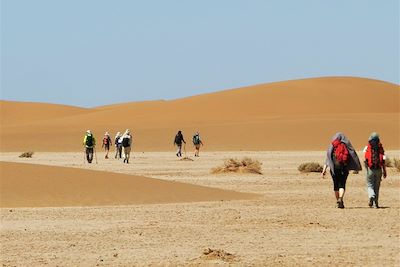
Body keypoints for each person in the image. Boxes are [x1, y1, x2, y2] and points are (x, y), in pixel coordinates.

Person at [321, 132, 362, 208]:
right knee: (342, 184)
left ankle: (338, 202)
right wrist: (355, 167)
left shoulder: (332, 146)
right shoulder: (347, 145)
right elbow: (353, 155)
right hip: (344, 168)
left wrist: (324, 170)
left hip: (334, 169)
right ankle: (341, 199)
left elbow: (328, 158)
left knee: (336, 185)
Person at [363, 132, 387, 208]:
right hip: (379, 169)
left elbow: (365, 157)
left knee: (370, 185)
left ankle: (371, 195)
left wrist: (366, 168)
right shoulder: (380, 147)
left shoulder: (368, 146)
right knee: (377, 187)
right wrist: (384, 170)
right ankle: (375, 204)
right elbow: (383, 159)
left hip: (370, 169)